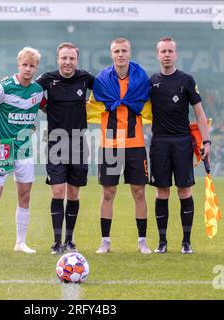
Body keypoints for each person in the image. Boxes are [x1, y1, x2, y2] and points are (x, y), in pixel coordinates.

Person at [88, 38, 152, 254]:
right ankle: (105, 242)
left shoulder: (141, 78)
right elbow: (89, 107)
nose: (120, 54)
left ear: (130, 53)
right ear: (111, 54)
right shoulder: (102, 80)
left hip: (135, 143)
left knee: (139, 192)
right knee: (108, 192)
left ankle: (142, 241)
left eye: (124, 50)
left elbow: (153, 104)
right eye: (117, 51)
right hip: (110, 144)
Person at [0, 47, 44, 256]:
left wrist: (31, 125)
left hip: (24, 148)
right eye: (24, 64)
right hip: (2, 149)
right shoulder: (4, 87)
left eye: (31, 66)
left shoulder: (38, 90)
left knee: (25, 196)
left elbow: (39, 110)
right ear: (18, 65)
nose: (27, 69)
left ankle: (20, 242)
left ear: (36, 68)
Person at [149, 37, 211, 254]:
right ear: (157, 55)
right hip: (159, 143)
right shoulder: (151, 81)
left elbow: (200, 113)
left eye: (170, 51)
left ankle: (186, 242)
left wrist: (206, 141)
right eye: (163, 51)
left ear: (175, 54)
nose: (166, 55)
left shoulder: (186, 80)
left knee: (184, 190)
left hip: (182, 142)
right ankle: (162, 242)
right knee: (162, 191)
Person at [36, 42, 95, 254]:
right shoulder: (47, 79)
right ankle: (56, 242)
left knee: (73, 193)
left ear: (76, 60)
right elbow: (30, 94)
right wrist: (45, 108)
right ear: (58, 59)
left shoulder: (85, 78)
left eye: (71, 58)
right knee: (58, 190)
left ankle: (69, 240)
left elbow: (106, 93)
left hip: (79, 141)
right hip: (55, 141)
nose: (68, 62)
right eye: (64, 58)